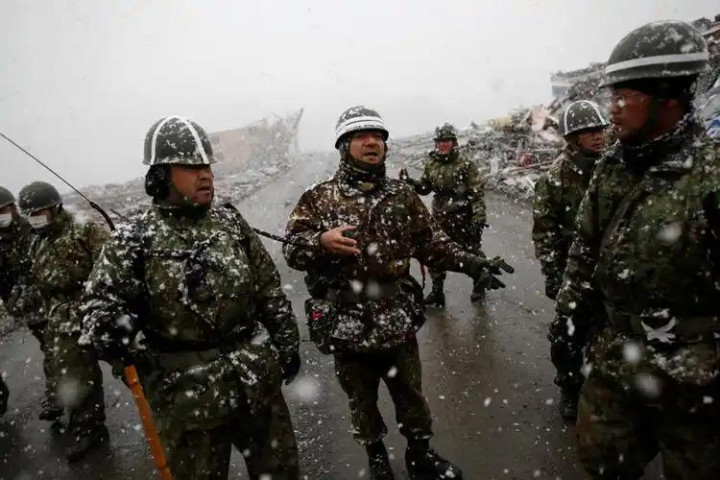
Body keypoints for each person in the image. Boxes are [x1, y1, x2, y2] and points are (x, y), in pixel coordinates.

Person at [284, 106, 510, 480]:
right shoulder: (318, 198)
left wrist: (472, 263)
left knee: (411, 394)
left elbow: (433, 244)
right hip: (348, 321)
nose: (371, 142)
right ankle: (376, 459)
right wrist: (320, 242)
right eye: (361, 136)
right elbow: (292, 249)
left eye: (377, 136)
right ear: (343, 146)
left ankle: (419, 455)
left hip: (396, 317)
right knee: (361, 399)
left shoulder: (401, 196)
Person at [81, 116, 301, 479]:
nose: (205, 175)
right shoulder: (132, 240)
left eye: (207, 166)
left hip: (256, 382)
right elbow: (95, 310)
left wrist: (287, 344)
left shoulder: (230, 223)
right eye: (191, 167)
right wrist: (113, 326)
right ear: (161, 176)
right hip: (186, 399)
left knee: (280, 471)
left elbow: (267, 288)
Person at [554, 21, 720, 478]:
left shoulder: (709, 175)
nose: (613, 110)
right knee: (601, 461)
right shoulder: (612, 167)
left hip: (694, 373)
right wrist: (570, 313)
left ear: (667, 96)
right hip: (615, 358)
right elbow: (585, 245)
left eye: (623, 96)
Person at [17, 181, 109, 461]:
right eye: (30, 214)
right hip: (62, 317)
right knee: (76, 375)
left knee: (133, 365)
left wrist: (100, 302)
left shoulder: (84, 229)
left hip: (95, 308)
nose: (35, 219)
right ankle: (89, 428)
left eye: (40, 212)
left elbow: (109, 265)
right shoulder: (37, 241)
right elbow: (39, 279)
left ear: (55, 208)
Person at [532, 100, 609, 419]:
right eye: (589, 131)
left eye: (600, 129)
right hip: (574, 269)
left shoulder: (615, 166)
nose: (598, 136)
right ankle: (570, 385)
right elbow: (544, 230)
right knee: (568, 335)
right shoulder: (555, 178)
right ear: (573, 137)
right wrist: (552, 272)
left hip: (614, 267)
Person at [400, 123, 488, 306]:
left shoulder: (465, 164)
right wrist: (411, 182)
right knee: (437, 252)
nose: (442, 144)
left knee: (471, 252)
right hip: (440, 216)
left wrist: (478, 220)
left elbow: (476, 194)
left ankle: (480, 283)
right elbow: (425, 188)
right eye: (439, 141)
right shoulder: (431, 164)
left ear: (453, 142)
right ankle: (437, 291)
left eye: (446, 141)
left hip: (463, 216)